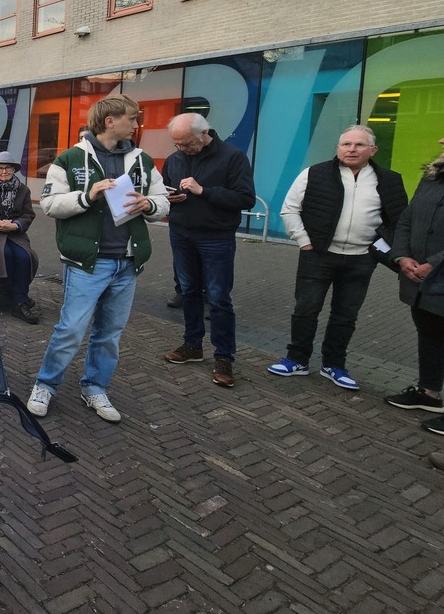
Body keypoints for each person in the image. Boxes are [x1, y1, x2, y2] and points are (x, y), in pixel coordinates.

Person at [26, 94, 169, 423]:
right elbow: (49, 204)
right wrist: (87, 196)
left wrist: (150, 206)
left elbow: (162, 200)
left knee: (109, 333)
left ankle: (95, 388)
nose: (137, 124)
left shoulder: (142, 159)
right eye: (132, 118)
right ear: (110, 121)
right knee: (71, 329)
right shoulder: (71, 159)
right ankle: (46, 384)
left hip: (127, 262)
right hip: (87, 263)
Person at [268, 125, 406, 390]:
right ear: (338, 148)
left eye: (359, 145)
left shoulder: (389, 180)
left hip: (362, 259)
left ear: (373, 150)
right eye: (346, 144)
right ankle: (296, 359)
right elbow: (290, 209)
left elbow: (400, 221)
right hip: (318, 256)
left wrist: (386, 252)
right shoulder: (314, 173)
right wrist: (304, 241)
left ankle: (334, 365)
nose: (351, 149)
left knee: (345, 315)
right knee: (306, 309)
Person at [160, 113, 256, 388]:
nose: (181, 149)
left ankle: (224, 357)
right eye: (176, 143)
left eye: (187, 143)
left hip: (216, 237)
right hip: (181, 233)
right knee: (188, 291)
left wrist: (204, 191)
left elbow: (245, 198)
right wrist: (170, 199)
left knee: (218, 297)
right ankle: (192, 346)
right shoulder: (174, 159)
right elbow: (163, 193)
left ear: (204, 134)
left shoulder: (232, 157)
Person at [383, 134, 444, 442]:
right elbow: (406, 219)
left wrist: (434, 263)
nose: (442, 140)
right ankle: (429, 392)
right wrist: (401, 255)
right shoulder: (432, 176)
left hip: (437, 273)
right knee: (429, 330)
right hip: (420, 277)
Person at [0, 151, 40, 324]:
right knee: (5, 255)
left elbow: (28, 214)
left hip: (15, 233)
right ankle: (19, 299)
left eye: (7, 168)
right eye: (0, 168)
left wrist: (16, 225)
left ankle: (18, 298)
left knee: (25, 257)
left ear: (13, 170)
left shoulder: (23, 190)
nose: (3, 172)